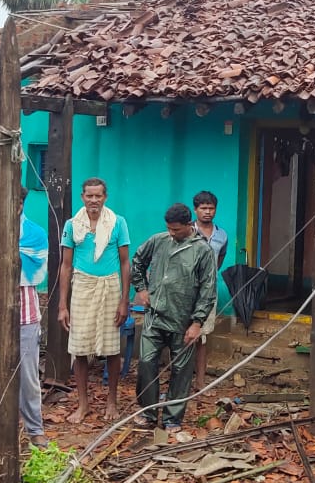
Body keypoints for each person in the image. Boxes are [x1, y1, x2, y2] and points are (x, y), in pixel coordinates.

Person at [131, 203, 218, 431]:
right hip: (155, 316)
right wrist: (141, 289)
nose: (172, 233)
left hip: (184, 320)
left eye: (176, 230)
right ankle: (148, 413)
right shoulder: (158, 240)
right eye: (169, 228)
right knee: (147, 363)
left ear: (189, 225)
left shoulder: (202, 250)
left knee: (181, 371)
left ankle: (172, 418)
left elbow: (208, 289)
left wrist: (197, 322)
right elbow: (137, 262)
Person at [57, 177, 131, 424]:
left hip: (110, 287)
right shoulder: (72, 225)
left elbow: (124, 263)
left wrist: (124, 300)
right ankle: (83, 404)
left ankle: (112, 401)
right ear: (82, 197)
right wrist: (62, 305)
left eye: (98, 195)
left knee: (112, 349)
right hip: (82, 288)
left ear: (105, 197)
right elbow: (66, 266)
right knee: (79, 348)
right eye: (89, 195)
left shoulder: (117, 223)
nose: (94, 200)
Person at [18, 192, 50, 447]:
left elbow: (36, 272)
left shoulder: (35, 233)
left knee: (28, 376)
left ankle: (34, 429)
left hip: (25, 314)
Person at [192, 190, 229, 390]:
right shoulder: (187, 231)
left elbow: (219, 260)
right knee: (182, 336)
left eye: (211, 208)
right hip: (186, 291)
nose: (207, 212)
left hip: (208, 293)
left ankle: (200, 383)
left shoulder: (221, 235)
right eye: (203, 208)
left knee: (202, 337)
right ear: (195, 210)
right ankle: (179, 382)